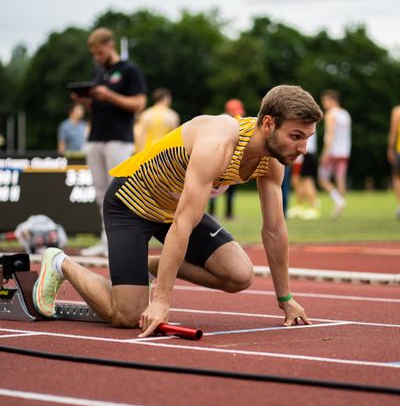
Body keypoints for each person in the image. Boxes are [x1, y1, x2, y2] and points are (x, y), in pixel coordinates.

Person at [32, 85, 323, 338]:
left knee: (240, 275)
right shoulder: (219, 141)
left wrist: (285, 298)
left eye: (307, 137)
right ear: (269, 124)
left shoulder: (271, 161)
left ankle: (147, 267)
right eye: (296, 136)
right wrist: (161, 300)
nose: (303, 148)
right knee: (127, 315)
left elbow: (274, 229)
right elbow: (184, 223)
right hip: (132, 203)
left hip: (174, 207)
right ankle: (59, 262)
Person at [74, 27, 147, 256]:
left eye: (100, 53)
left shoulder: (129, 70)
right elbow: (96, 105)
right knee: (100, 192)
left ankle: (122, 242)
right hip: (96, 137)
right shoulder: (98, 72)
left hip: (119, 138)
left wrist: (110, 95)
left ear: (109, 45)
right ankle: (106, 241)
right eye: (94, 54)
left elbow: (139, 104)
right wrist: (84, 100)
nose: (98, 58)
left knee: (118, 192)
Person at [209, 99, 245, 219]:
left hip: (230, 161)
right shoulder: (224, 122)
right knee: (214, 188)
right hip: (220, 160)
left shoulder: (235, 122)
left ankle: (226, 213)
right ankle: (214, 213)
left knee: (226, 189)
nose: (238, 115)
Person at [318, 89, 351, 218]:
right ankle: (340, 205)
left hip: (332, 152)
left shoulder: (331, 114)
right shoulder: (345, 114)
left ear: (332, 100)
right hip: (344, 151)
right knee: (340, 178)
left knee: (322, 178)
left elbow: (329, 135)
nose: (324, 104)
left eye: (325, 100)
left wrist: (325, 152)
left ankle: (339, 201)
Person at [287, 131, 320, 219]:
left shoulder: (306, 120)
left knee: (307, 181)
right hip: (302, 154)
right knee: (296, 180)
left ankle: (313, 208)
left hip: (306, 153)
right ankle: (299, 206)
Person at [387, 104, 400, 219]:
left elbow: (393, 132)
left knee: (397, 178)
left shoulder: (397, 111)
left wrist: (390, 148)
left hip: (399, 150)